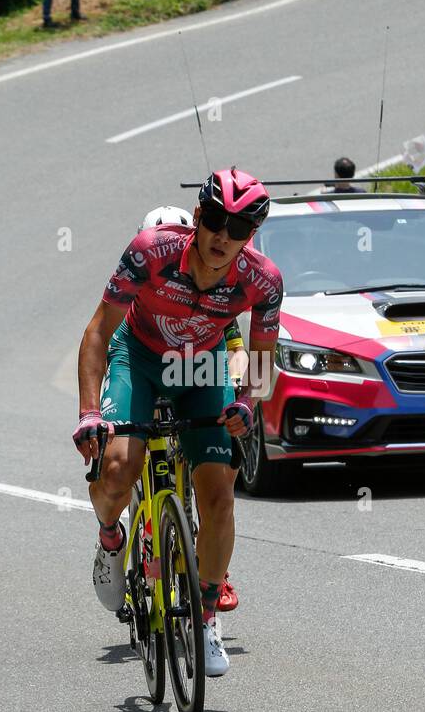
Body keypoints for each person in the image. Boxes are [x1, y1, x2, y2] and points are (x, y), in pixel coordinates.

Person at [76, 169, 283, 677]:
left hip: (202, 367)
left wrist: (247, 405)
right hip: (139, 359)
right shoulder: (151, 251)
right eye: (215, 220)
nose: (222, 237)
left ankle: (206, 615)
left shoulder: (263, 281)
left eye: (238, 229)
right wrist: (87, 413)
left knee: (218, 497)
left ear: (250, 235)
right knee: (119, 469)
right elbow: (99, 332)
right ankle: (110, 535)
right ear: (197, 217)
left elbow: (260, 358)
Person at [139, 204, 245, 624]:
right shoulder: (141, 280)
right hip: (150, 386)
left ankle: (216, 566)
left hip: (195, 388)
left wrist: (236, 386)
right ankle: (136, 530)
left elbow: (237, 352)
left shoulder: (218, 293)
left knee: (219, 478)